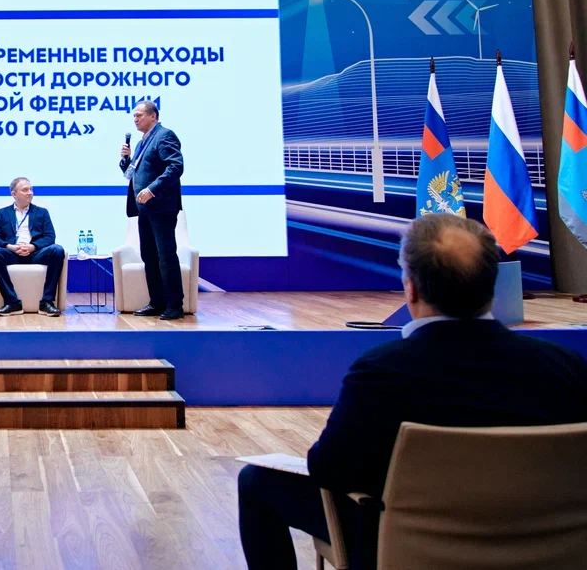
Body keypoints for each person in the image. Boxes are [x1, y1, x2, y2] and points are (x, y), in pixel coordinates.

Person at [237, 214, 587, 570]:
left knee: (257, 481)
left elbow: (330, 470)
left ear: (411, 289)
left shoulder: (380, 372)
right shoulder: (566, 367)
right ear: (492, 284)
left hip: (405, 550)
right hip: (546, 549)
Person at [118, 99, 186, 319]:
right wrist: (125, 160)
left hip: (162, 207)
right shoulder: (142, 142)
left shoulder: (165, 136)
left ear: (153, 116)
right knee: (149, 255)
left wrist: (152, 189)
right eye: (134, 116)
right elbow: (132, 172)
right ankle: (156, 301)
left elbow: (175, 166)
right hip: (145, 209)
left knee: (166, 256)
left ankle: (174, 304)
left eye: (139, 115)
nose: (135, 119)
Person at [0, 177, 65, 316]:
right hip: (12, 253)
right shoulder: (2, 213)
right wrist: (9, 246)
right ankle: (12, 302)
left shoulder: (42, 212)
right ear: (14, 194)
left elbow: (50, 236)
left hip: (36, 253)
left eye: (31, 189)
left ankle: (47, 302)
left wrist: (33, 246)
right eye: (25, 190)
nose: (30, 193)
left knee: (57, 250)